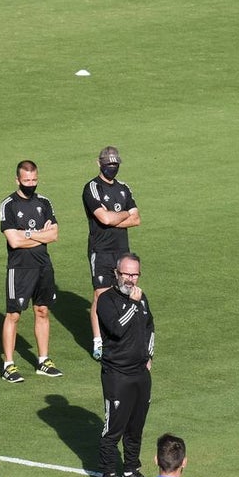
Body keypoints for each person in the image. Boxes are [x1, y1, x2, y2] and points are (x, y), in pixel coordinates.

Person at [0, 160, 62, 383]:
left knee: (42, 310)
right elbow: (13, 242)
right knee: (14, 314)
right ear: (17, 180)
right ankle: (8, 365)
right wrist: (37, 235)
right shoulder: (8, 205)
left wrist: (26, 234)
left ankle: (43, 360)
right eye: (26, 180)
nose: (31, 184)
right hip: (20, 268)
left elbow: (53, 235)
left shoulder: (44, 202)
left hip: (43, 265)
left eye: (34, 180)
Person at [95, 253, 153, 477]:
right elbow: (117, 329)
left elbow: (150, 326)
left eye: (135, 274)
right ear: (117, 274)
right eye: (126, 274)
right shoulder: (106, 300)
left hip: (140, 373)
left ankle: (130, 468)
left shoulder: (142, 298)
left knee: (136, 425)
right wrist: (132, 303)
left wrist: (149, 356)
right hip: (117, 374)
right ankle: (107, 475)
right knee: (113, 428)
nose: (130, 279)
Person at [83, 146, 141, 360]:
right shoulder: (92, 188)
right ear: (99, 164)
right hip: (101, 251)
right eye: (108, 165)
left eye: (115, 165)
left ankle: (118, 336)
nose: (112, 169)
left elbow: (137, 219)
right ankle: (99, 342)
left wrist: (115, 216)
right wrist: (123, 215)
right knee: (101, 295)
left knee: (122, 293)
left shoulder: (124, 188)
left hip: (121, 251)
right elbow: (104, 219)